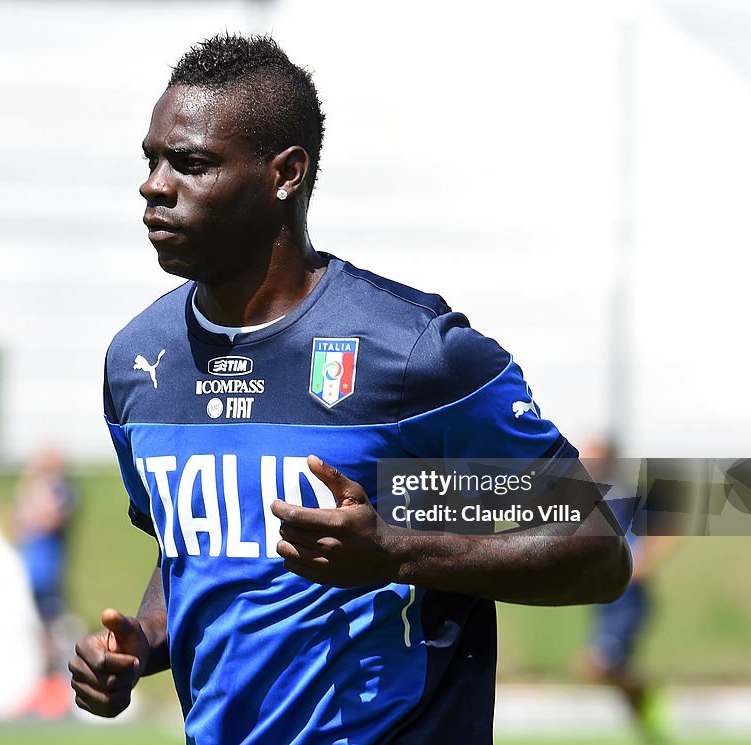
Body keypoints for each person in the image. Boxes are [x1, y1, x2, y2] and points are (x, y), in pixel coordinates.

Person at [69, 33, 631, 744]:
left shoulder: (416, 356)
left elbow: (594, 550)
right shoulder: (139, 362)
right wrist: (142, 642)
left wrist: (394, 552)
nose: (155, 183)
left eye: (190, 163)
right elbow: (192, 552)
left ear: (285, 174)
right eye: (150, 160)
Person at [577, 438, 680, 744]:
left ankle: (649, 699)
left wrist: (643, 561)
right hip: (605, 596)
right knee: (610, 668)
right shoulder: (589, 499)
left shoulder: (628, 495)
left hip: (628, 598)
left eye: (592, 458)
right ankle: (647, 717)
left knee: (598, 666)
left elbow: (667, 525)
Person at [13, 446, 77, 718]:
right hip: (31, 572)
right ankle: (43, 691)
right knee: (39, 634)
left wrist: (34, 512)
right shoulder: (35, 488)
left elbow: (50, 519)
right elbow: (18, 518)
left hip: (49, 572)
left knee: (51, 633)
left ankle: (56, 694)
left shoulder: (63, 490)